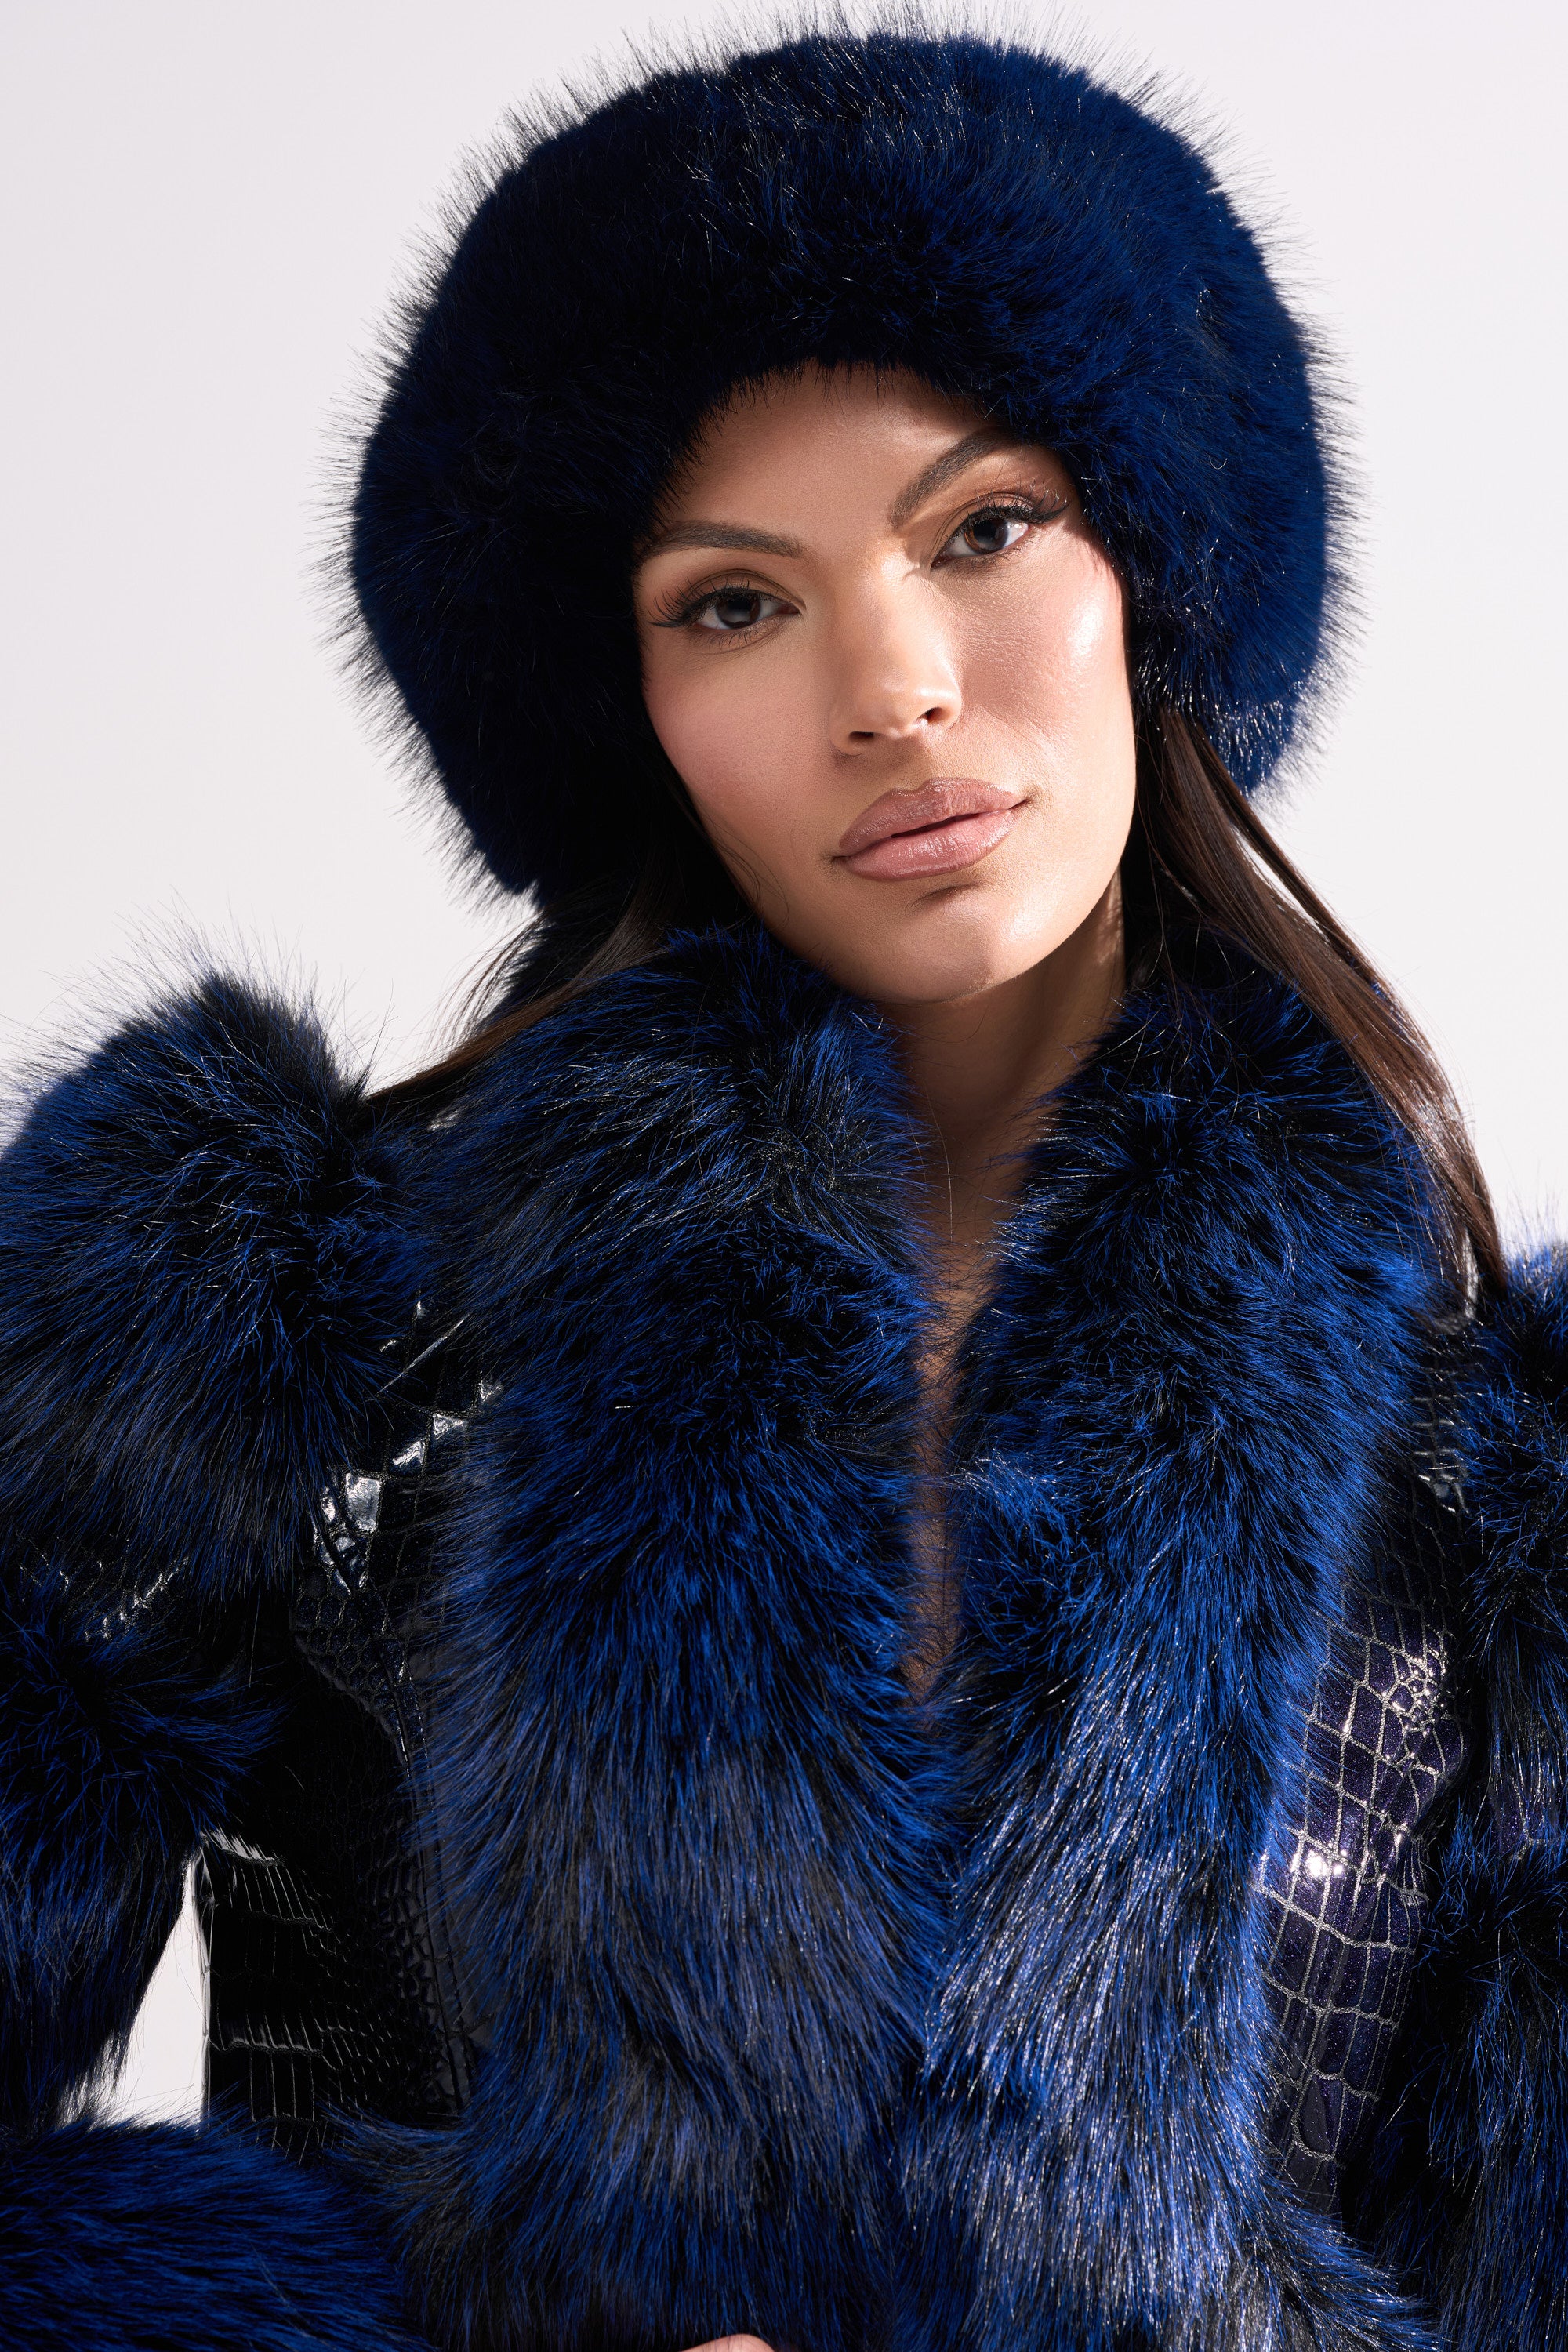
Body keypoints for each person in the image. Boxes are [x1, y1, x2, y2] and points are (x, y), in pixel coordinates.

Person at [0, 25, 1562, 2352]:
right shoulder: (259, 1309)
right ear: (621, 698)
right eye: (735, 600)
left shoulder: (1495, 1486)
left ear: (1161, 568)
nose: (897, 684)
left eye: (988, 528)